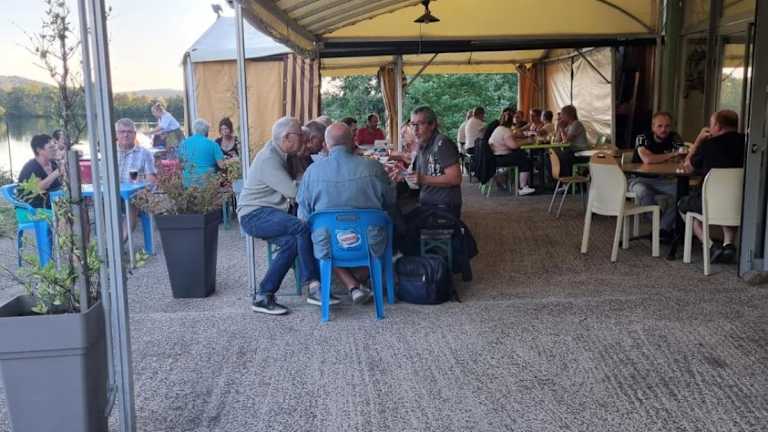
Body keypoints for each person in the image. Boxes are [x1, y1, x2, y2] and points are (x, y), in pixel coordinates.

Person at [298, 122, 396, 305]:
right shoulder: (373, 168)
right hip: (370, 243)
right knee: (392, 227)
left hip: (328, 245)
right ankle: (358, 281)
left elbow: (303, 216)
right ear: (353, 142)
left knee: (321, 233)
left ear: (326, 145)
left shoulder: (312, 173)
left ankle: (351, 284)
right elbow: (390, 201)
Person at [237, 116, 321, 315]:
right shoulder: (269, 159)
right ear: (287, 137)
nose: (303, 139)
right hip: (254, 214)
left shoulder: (280, 153)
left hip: (266, 212)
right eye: (300, 135)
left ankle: (264, 295)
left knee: (292, 243)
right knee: (301, 227)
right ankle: (313, 285)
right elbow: (294, 192)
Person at [679, 109, 745, 264]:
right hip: (741, 201)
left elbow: (687, 167)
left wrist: (697, 142)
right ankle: (728, 245)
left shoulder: (708, 145)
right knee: (729, 202)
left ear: (718, 126)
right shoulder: (748, 143)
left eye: (711, 125)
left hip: (710, 203)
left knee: (683, 205)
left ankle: (710, 246)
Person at [628, 112, 685, 236]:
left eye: (667, 126)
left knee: (682, 193)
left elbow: (683, 156)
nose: (664, 129)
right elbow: (647, 159)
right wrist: (672, 155)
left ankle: (662, 230)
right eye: (660, 126)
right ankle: (661, 227)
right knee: (643, 193)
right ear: (653, 127)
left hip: (663, 179)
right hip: (639, 179)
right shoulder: (642, 138)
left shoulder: (674, 137)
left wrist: (671, 156)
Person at [403, 106, 463, 218]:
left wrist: (423, 179)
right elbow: (420, 179)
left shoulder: (442, 143)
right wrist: (403, 176)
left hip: (443, 207)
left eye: (420, 124)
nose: (415, 130)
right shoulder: (422, 145)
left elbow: (456, 178)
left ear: (432, 125)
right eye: (413, 124)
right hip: (427, 203)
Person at [115, 118, 157, 239]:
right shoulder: (109, 152)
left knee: (132, 202)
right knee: (95, 204)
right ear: (116, 134)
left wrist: (141, 187)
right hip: (112, 194)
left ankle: (119, 243)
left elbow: (152, 180)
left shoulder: (145, 153)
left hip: (134, 195)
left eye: (129, 132)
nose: (125, 135)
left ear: (135, 134)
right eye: (122, 132)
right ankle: (106, 242)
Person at [488, 110, 536, 196]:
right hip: (500, 158)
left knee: (521, 154)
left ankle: (521, 185)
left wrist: (519, 138)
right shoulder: (506, 130)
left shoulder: (499, 128)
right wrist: (527, 141)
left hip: (495, 157)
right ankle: (523, 187)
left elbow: (510, 139)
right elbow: (513, 146)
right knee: (524, 160)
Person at [17, 134, 62, 212]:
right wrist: (57, 172)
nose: (55, 149)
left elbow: (60, 185)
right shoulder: (31, 167)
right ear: (39, 150)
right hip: (33, 205)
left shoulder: (53, 164)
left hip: (51, 200)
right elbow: (38, 188)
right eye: (51, 147)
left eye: (55, 146)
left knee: (77, 198)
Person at [178, 118, 225, 187]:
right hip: (207, 181)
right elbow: (221, 165)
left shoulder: (184, 143)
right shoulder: (213, 144)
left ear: (194, 130)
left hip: (188, 181)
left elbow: (180, 163)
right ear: (206, 131)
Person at [556, 105, 590, 176]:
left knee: (562, 156)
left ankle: (567, 179)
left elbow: (566, 141)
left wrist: (561, 128)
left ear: (568, 115)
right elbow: (558, 140)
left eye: (562, 115)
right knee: (553, 155)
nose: (561, 117)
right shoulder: (569, 126)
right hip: (574, 152)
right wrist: (559, 128)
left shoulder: (576, 124)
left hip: (582, 153)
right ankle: (562, 179)